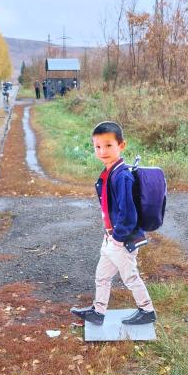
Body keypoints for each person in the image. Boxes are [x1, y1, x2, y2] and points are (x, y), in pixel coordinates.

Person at [70, 121, 156, 326]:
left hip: (121, 240)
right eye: (98, 146)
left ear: (121, 145)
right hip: (111, 237)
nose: (103, 151)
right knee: (101, 276)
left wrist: (117, 238)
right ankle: (98, 313)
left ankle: (147, 311)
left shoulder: (122, 176)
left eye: (109, 145)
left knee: (130, 277)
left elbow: (128, 214)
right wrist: (109, 233)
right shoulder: (109, 172)